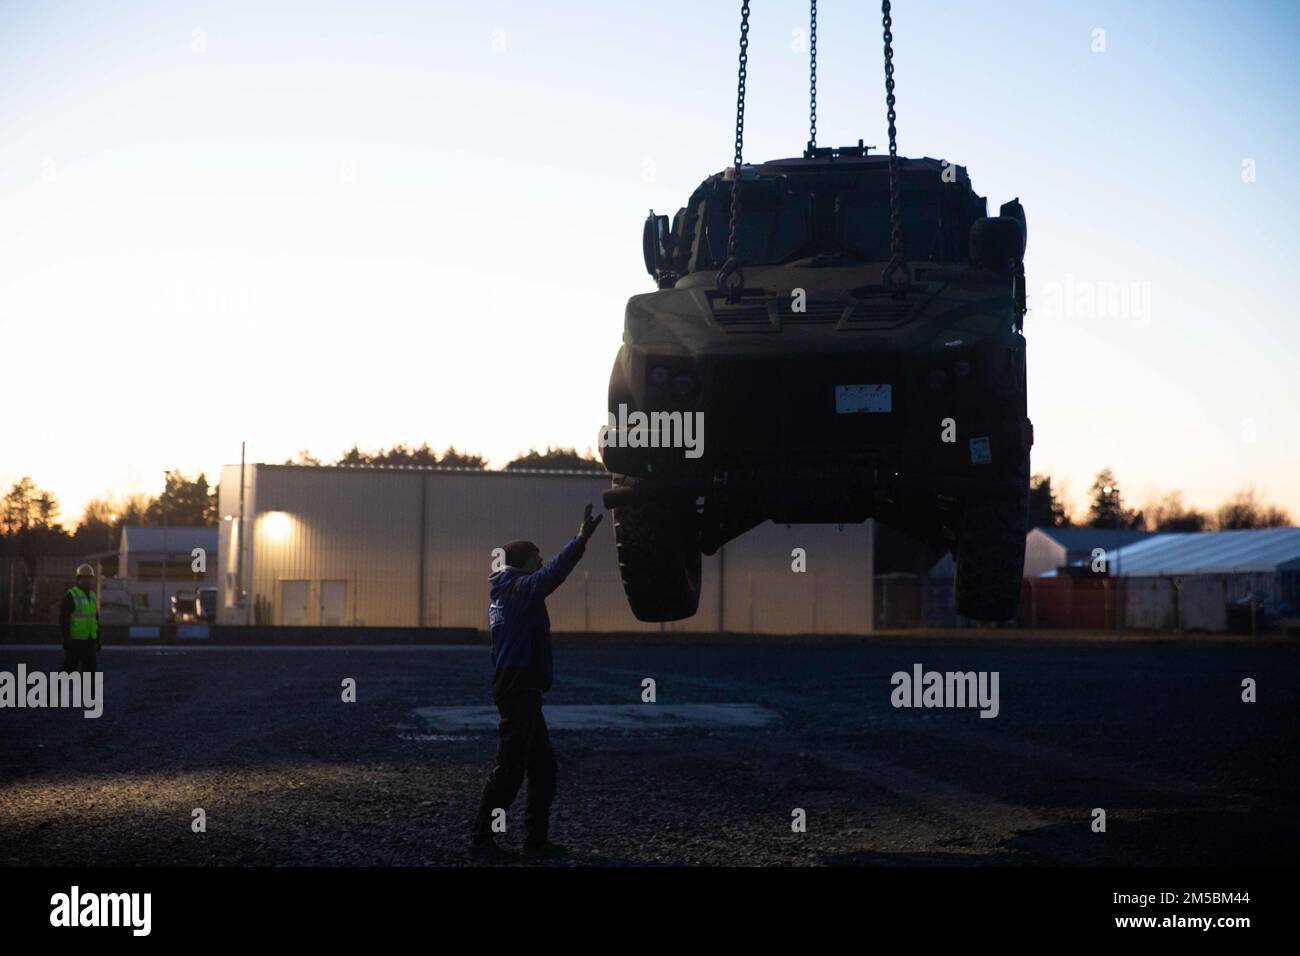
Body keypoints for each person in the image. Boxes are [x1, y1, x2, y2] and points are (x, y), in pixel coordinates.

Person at [469, 504, 604, 862]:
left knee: (542, 766)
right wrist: (580, 540)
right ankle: (483, 838)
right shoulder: (519, 590)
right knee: (511, 767)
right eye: (537, 557)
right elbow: (552, 576)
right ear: (524, 562)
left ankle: (534, 841)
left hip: (514, 684)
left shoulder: (503, 594)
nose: (541, 562)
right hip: (519, 686)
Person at [61, 564, 101, 673]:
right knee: (68, 670)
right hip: (75, 641)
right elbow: (64, 619)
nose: (88, 580)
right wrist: (66, 638)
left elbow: (95, 619)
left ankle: (89, 691)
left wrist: (98, 638)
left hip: (90, 640)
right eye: (85, 578)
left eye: (89, 578)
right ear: (79, 579)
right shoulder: (71, 595)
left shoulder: (92, 595)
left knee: (90, 670)